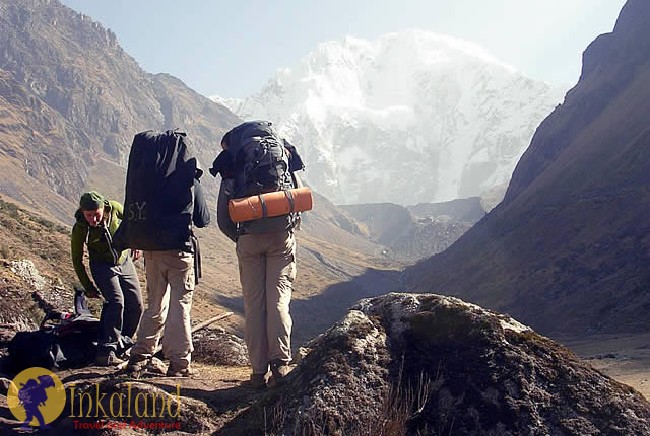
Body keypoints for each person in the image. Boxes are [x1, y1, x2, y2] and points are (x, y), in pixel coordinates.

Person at [215, 124, 305, 389]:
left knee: (254, 306)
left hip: (249, 239)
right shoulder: (281, 154)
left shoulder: (232, 161)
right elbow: (298, 197)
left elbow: (223, 216)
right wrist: (288, 224)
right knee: (278, 301)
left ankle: (257, 373)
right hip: (281, 236)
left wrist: (240, 236)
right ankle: (280, 364)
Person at [127, 175, 210, 377]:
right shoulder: (189, 180)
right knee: (179, 305)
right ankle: (179, 363)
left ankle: (140, 355)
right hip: (180, 253)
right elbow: (203, 219)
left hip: (153, 251)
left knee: (155, 303)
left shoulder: (152, 178)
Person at [71, 191, 143, 366]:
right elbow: (77, 260)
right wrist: (88, 286)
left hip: (123, 261)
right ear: (82, 212)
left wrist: (136, 242)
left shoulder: (116, 208)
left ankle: (123, 344)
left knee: (136, 305)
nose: (93, 219)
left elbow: (132, 222)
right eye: (89, 215)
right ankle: (105, 351)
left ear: (104, 208)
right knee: (116, 302)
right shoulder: (80, 228)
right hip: (102, 266)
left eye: (96, 215)